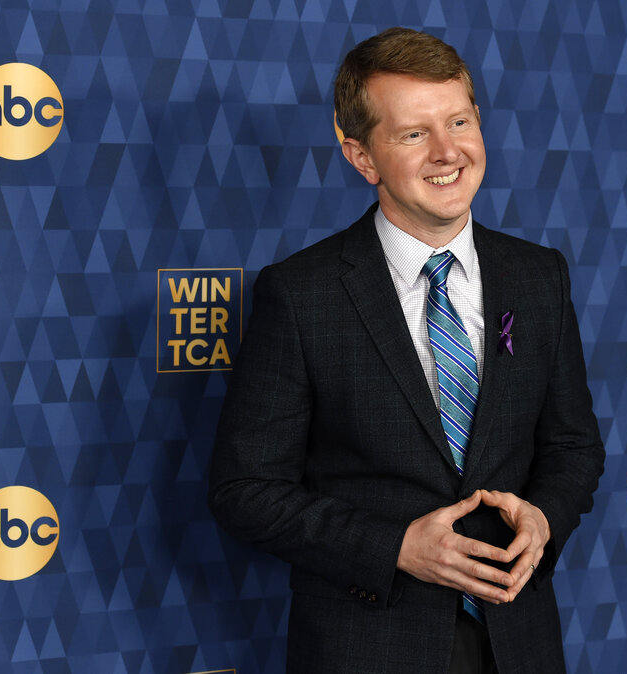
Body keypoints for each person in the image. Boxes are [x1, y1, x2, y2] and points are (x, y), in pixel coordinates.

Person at [209, 27, 604, 674]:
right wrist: (395, 546)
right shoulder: (302, 296)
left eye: (458, 121)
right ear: (362, 157)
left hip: (519, 643)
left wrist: (544, 519)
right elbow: (244, 490)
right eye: (414, 134)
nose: (448, 152)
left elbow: (573, 446)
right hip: (369, 645)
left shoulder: (539, 276)